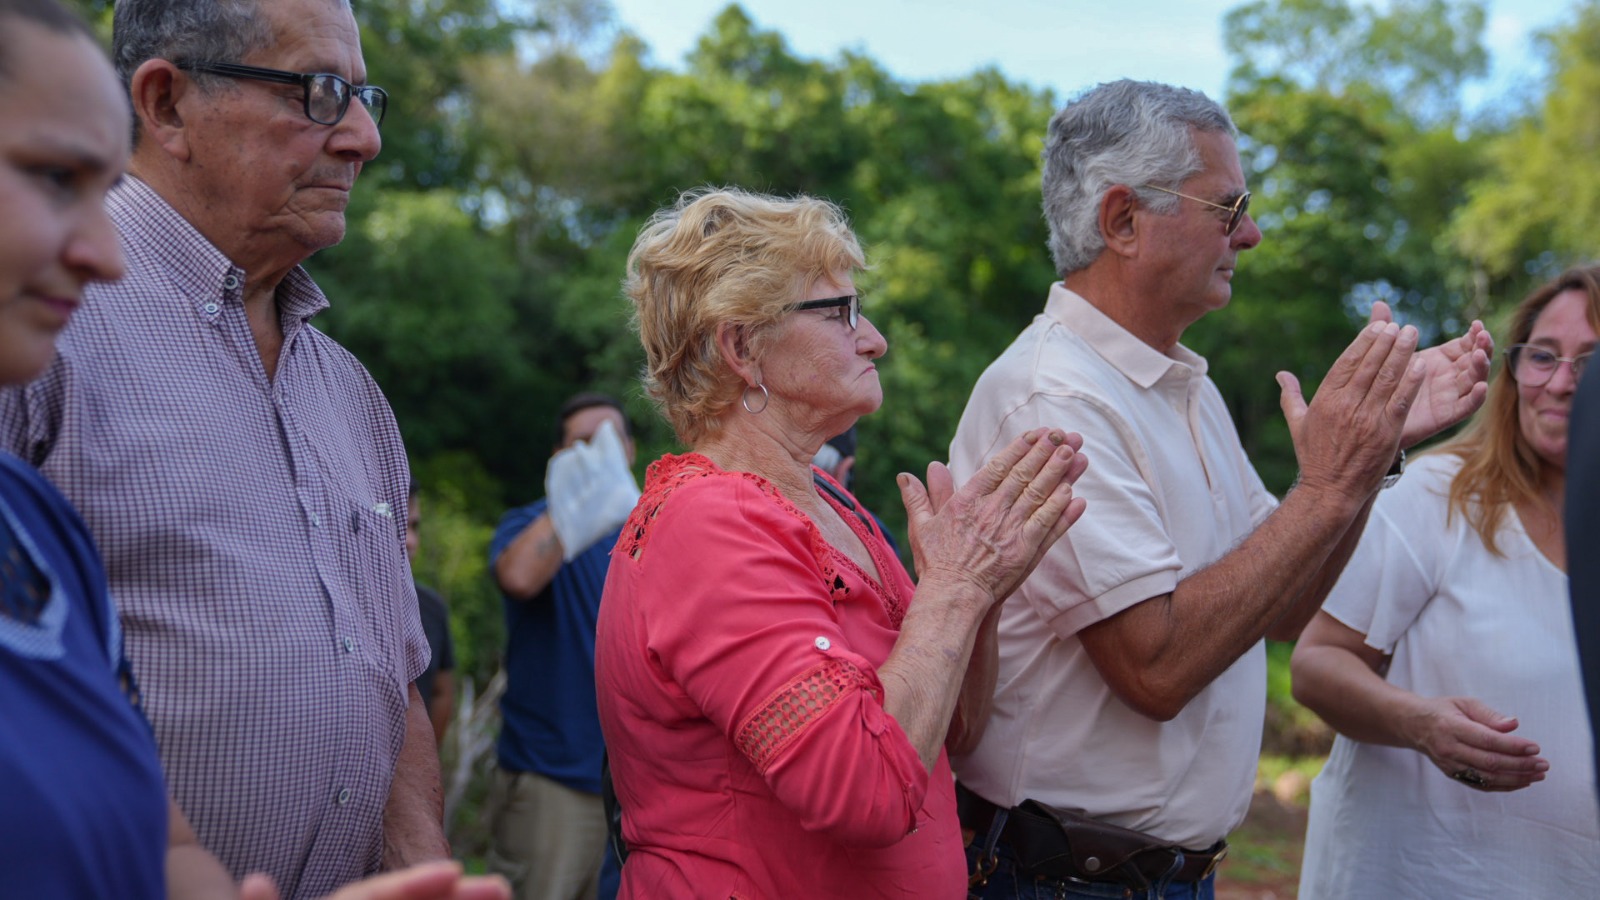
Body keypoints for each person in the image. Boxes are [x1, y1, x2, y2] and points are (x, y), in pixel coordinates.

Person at [0, 2, 508, 899]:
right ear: (165, 106)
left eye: (360, 97)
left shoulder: (350, 392)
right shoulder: (40, 338)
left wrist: (426, 874)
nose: (362, 139)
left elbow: (387, 673)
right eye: (318, 92)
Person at [946, 79, 1493, 899]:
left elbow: (1284, 607)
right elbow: (1157, 671)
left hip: (1147, 877)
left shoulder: (1180, 385)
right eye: (1229, 209)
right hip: (1056, 879)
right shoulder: (1055, 394)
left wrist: (1369, 460)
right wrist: (1332, 479)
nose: (1255, 235)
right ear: (1123, 220)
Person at [596, 187, 1089, 899]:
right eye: (840, 312)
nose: (873, 338)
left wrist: (982, 594)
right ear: (741, 347)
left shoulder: (831, 503)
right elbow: (865, 792)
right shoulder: (710, 522)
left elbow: (950, 734)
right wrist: (954, 589)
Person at [1292, 269, 1600, 896]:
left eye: (1591, 362)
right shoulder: (1441, 495)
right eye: (1541, 357)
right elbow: (1316, 664)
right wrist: (1420, 723)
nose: (1561, 383)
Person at [486, 392, 638, 900]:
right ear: (557, 456)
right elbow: (520, 575)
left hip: (634, 790)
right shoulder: (529, 523)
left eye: (609, 441)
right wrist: (574, 502)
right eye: (582, 444)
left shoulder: (649, 534)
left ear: (631, 451)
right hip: (551, 780)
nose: (598, 454)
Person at [408, 478, 456, 747]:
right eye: (398, 525)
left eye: (415, 526)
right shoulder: (343, 601)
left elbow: (442, 691)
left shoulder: (431, 607)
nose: (409, 541)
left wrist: (424, 759)